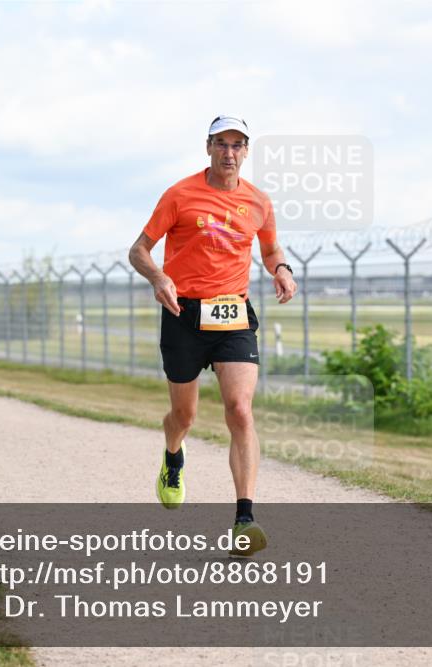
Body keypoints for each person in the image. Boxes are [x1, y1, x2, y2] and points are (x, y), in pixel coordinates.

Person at [129, 115, 297, 558]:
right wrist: (158, 278)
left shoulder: (259, 201)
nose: (229, 152)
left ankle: (245, 518)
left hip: (233, 315)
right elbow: (139, 249)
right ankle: (173, 455)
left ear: (246, 151)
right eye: (221, 143)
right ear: (208, 148)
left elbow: (270, 247)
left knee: (240, 410)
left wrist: (280, 268)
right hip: (182, 312)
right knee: (183, 417)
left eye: (237, 144)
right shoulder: (180, 194)